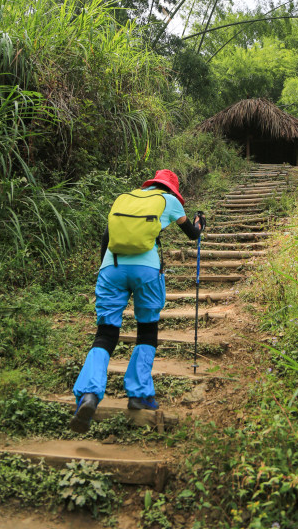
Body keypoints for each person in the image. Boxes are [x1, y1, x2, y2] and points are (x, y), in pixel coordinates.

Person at [70, 169, 205, 433]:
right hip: (146, 271)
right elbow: (192, 233)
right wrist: (200, 222)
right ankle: (138, 393)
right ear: (171, 189)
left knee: (105, 334)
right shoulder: (170, 201)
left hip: (111, 268)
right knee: (147, 330)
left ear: (151, 184)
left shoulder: (123, 198)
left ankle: (89, 394)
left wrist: (106, 272)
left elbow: (106, 238)